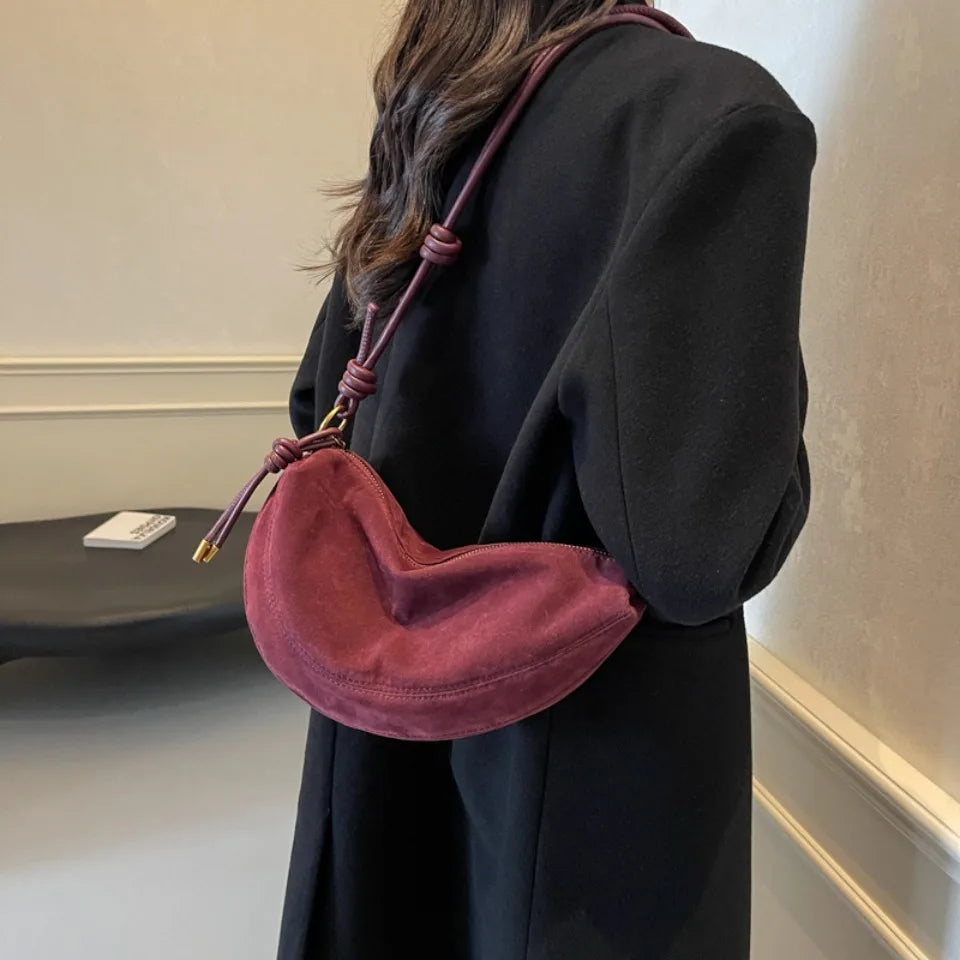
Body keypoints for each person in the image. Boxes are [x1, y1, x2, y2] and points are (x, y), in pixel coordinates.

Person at [279, 1, 814, 957]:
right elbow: (694, 554)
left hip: (384, 734)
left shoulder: (439, 105)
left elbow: (319, 399)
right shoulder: (713, 113)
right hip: (588, 781)